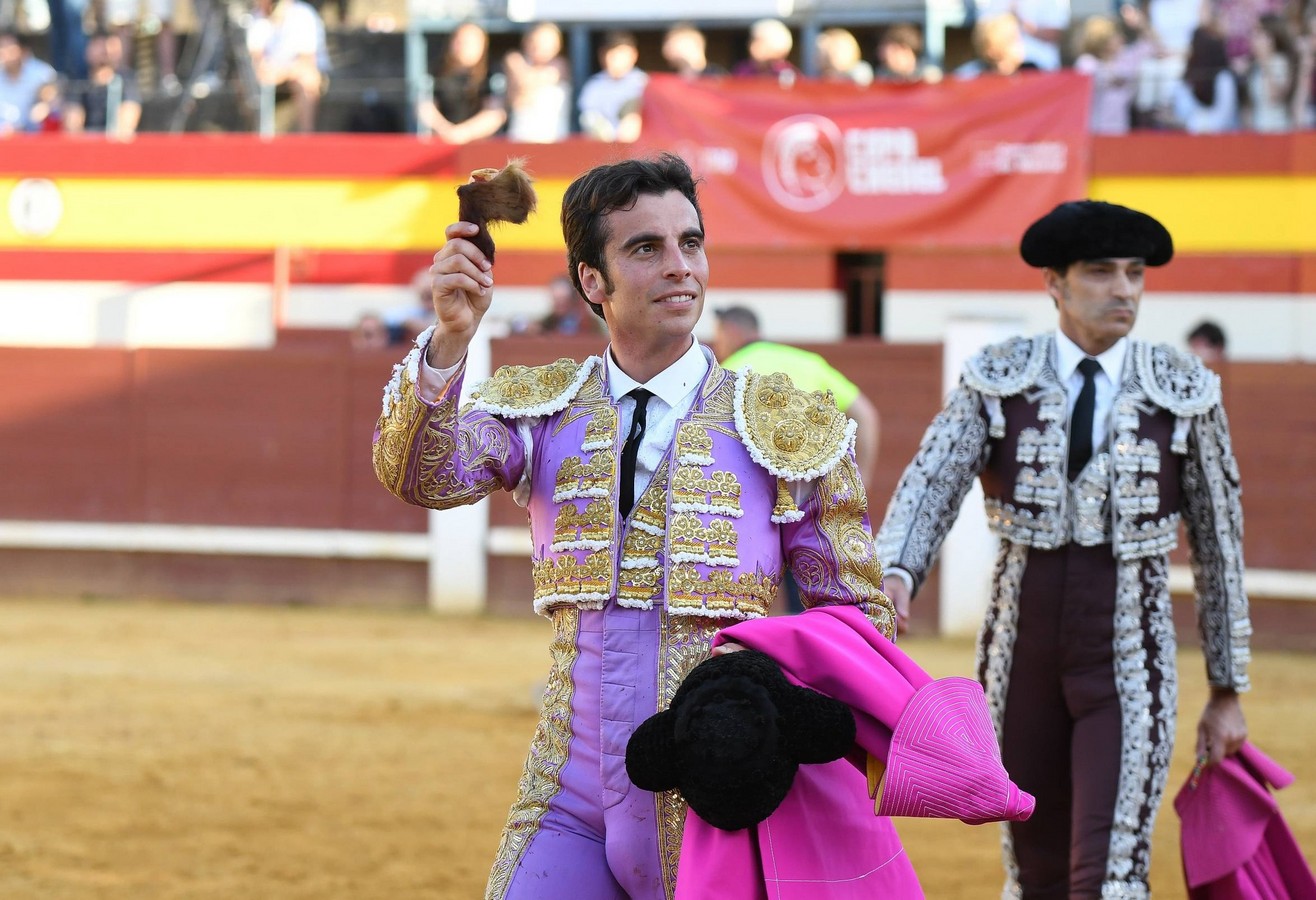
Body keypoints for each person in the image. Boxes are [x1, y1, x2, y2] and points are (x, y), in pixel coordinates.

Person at [372, 153, 895, 899]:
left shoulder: (783, 424)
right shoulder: (542, 411)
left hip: (723, 799)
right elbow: (419, 476)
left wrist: (781, 721)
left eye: (691, 242)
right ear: (593, 281)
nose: (680, 266)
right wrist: (450, 340)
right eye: (646, 248)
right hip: (569, 796)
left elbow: (856, 620)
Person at [875, 199, 1251, 898]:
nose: (1124, 290)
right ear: (1055, 283)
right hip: (1019, 660)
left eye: (1135, 273)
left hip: (1130, 663)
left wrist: (1227, 690)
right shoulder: (998, 378)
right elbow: (933, 479)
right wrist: (896, 571)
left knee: (1109, 872)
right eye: (1102, 272)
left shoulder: (1185, 391)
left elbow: (1219, 546)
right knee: (1035, 867)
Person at [713, 304, 881, 615]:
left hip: (752, 497)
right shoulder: (807, 362)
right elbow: (866, 415)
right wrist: (862, 479)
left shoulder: (728, 371)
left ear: (730, 333)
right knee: (819, 587)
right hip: (813, 498)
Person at [246, 0, 331, 133]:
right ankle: (255, 135)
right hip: (270, 74)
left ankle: (306, 135)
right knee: (244, 80)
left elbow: (306, 61)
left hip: (298, 72)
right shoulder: (256, 17)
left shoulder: (303, 14)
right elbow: (255, 55)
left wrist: (281, 73)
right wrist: (264, 70)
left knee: (307, 79)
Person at [418, 21, 507, 144]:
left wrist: (465, 133)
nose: (464, 46)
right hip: (442, 142)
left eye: (471, 42)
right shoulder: (435, 72)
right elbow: (425, 107)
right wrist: (446, 130)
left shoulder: (493, 74)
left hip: (481, 145)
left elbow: (495, 114)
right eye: (459, 41)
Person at [63, 31, 142, 139]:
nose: (105, 51)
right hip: (86, 143)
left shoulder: (127, 80)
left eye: (111, 46)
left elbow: (127, 122)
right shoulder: (78, 81)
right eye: (99, 46)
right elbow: (72, 124)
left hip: (116, 143)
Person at [502, 21, 570, 143]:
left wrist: (523, 79)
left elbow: (524, 84)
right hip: (519, 138)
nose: (538, 46)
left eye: (546, 41)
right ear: (526, 42)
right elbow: (517, 99)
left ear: (557, 45)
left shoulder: (560, 65)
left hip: (554, 141)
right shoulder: (515, 61)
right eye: (534, 40)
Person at [576, 29, 646, 142]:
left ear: (634, 55)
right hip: (602, 146)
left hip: (639, 147)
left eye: (621, 54)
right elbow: (589, 117)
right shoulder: (594, 86)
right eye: (612, 55)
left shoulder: (643, 83)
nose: (616, 60)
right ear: (602, 55)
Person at [1170, 25, 1240, 132]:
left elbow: (1222, 120)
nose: (1190, 51)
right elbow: (1182, 112)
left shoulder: (1223, 77)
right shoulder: (1189, 78)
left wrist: (1193, 123)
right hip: (1190, 137)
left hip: (1223, 138)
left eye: (1193, 46)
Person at [0, 28, 57, 135]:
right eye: (1, 47)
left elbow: (53, 100)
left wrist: (44, 107)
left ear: (23, 51)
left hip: (31, 136)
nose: (4, 53)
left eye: (9, 48)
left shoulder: (40, 73)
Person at [953, 12, 1031, 77]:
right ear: (992, 50)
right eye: (1013, 39)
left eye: (1019, 37)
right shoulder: (972, 75)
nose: (1021, 44)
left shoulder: (1031, 71)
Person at [732, 17, 799, 82]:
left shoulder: (788, 74)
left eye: (759, 43)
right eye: (752, 41)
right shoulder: (742, 71)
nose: (752, 47)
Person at [534, 272, 602, 336]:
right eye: (556, 300)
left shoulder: (588, 322)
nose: (559, 305)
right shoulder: (548, 322)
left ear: (572, 299)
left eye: (562, 300)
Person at [873, 22, 942, 83]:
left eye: (892, 53)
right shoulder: (882, 78)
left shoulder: (929, 77)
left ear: (904, 48)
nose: (883, 58)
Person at [660, 21, 726, 79]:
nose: (666, 49)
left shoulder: (716, 76)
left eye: (673, 43)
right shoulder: (674, 80)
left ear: (693, 43)